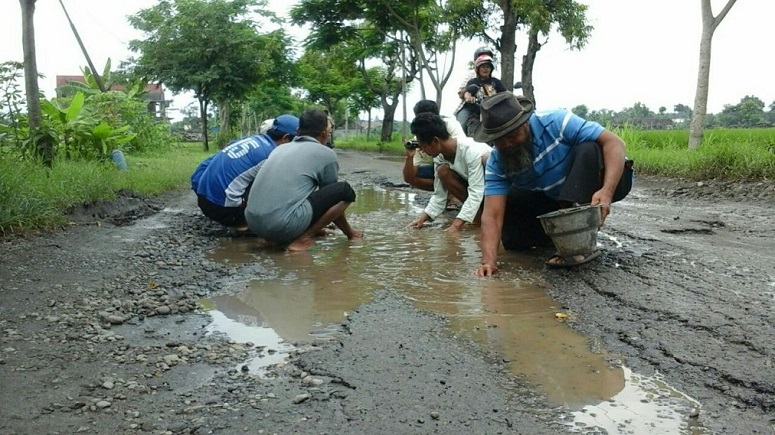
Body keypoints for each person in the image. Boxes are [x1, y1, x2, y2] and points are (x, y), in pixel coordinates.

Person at [471, 92, 633, 274]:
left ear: (525, 123)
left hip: (609, 178)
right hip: (557, 195)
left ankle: (578, 245)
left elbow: (615, 143)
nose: (508, 144)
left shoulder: (555, 121)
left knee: (588, 147)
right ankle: (558, 236)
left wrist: (607, 191)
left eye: (512, 135)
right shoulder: (497, 161)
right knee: (514, 231)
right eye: (500, 139)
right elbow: (492, 215)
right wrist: (489, 262)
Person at [244, 108, 363, 251]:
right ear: (324, 133)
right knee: (345, 190)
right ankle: (304, 239)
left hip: (253, 224)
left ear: (298, 130)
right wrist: (349, 232)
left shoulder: (279, 149)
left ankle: (273, 238)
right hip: (280, 225)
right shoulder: (326, 154)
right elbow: (333, 199)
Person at [191, 114, 299, 230]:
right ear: (285, 138)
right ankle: (242, 224)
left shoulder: (253, 140)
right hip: (223, 210)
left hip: (205, 201)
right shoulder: (272, 155)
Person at [409, 112, 492, 233]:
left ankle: (488, 216)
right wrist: (423, 218)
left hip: (496, 192)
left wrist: (456, 226)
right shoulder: (439, 157)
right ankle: (478, 217)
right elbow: (439, 194)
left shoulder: (471, 151)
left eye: (423, 146)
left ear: (435, 141)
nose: (423, 151)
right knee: (443, 171)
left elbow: (476, 191)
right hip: (478, 192)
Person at [403, 100, 466, 211]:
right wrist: (410, 156)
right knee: (431, 172)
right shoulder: (421, 136)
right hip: (440, 168)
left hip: (461, 169)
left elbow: (462, 154)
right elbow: (408, 178)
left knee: (444, 170)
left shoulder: (451, 126)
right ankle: (448, 194)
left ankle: (456, 196)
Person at [455, 47, 507, 136]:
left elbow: (504, 93)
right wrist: (468, 96)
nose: (485, 69)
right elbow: (464, 91)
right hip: (471, 109)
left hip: (490, 110)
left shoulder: (495, 81)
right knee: (460, 127)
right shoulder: (471, 77)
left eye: (488, 66)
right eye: (483, 66)